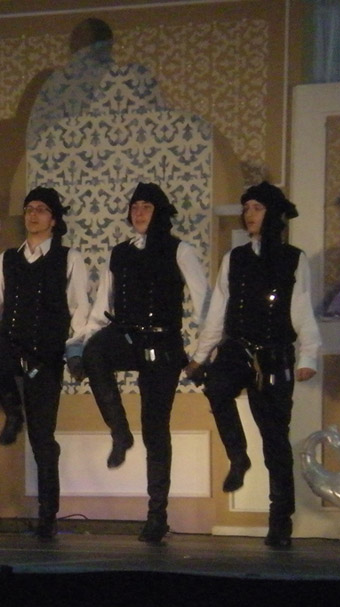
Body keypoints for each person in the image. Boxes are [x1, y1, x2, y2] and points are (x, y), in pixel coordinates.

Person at [185, 181, 321, 548]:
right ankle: (238, 456)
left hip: (275, 354)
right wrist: (200, 357)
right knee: (216, 387)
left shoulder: (293, 258)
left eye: (256, 208)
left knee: (275, 439)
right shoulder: (235, 258)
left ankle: (280, 521)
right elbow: (218, 310)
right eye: (246, 208)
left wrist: (308, 355)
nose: (249, 214)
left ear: (272, 213)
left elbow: (301, 307)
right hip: (237, 348)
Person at [0, 186, 89, 540]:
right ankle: (13, 413)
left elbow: (79, 307)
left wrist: (75, 349)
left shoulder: (69, 258)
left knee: (43, 438)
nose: (33, 214)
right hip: (14, 345)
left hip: (45, 356)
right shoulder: (8, 259)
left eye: (41, 209)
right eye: (29, 208)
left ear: (53, 219)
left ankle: (48, 514)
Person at [82, 182, 209, 544]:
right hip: (126, 337)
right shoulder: (120, 253)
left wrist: (205, 352)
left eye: (146, 207)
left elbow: (204, 302)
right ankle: (120, 432)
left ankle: (157, 515)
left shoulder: (179, 250)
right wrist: (83, 342)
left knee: (155, 427)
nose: (138, 212)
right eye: (135, 206)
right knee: (94, 352)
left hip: (163, 343)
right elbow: (102, 303)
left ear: (159, 212)